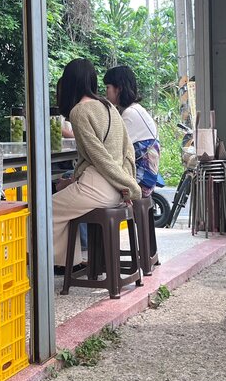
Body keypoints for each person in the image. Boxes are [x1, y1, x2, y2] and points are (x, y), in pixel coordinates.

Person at [51, 59, 140, 275]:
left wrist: (128, 185)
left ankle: (58, 264)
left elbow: (98, 156)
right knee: (61, 206)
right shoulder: (109, 106)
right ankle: (66, 262)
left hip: (98, 186)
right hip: (113, 189)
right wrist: (125, 184)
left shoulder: (79, 112)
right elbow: (127, 150)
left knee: (42, 211)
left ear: (69, 81)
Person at [103, 65, 161, 198]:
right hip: (146, 179)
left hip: (140, 183)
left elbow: (113, 149)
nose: (106, 92)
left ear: (119, 89)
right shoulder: (136, 109)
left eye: (108, 87)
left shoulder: (130, 114)